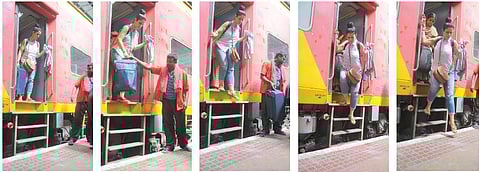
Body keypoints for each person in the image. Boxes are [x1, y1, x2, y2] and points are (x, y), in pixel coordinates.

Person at [132, 54, 191, 152]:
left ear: (175, 62)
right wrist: (135, 59)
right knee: (167, 123)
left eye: (170, 61)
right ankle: (170, 145)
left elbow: (186, 89)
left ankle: (183, 145)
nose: (168, 63)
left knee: (181, 124)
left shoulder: (182, 73)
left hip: (178, 102)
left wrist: (185, 102)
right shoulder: (162, 70)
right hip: (166, 101)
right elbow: (149, 66)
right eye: (167, 61)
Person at [424, 18, 459, 133]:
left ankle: (452, 121)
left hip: (449, 73)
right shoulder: (438, 40)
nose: (449, 35)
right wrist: (421, 29)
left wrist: (451, 67)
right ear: (443, 31)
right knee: (433, 89)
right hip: (436, 71)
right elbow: (424, 42)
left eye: (451, 33)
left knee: (450, 96)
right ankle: (428, 106)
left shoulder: (453, 43)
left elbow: (456, 56)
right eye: (447, 32)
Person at [210, 4, 248, 99]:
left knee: (231, 68)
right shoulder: (228, 24)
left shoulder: (238, 29)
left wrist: (243, 38)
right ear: (235, 17)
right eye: (239, 19)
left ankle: (231, 90)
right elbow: (219, 31)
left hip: (229, 49)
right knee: (224, 65)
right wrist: (214, 34)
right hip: (220, 46)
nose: (240, 21)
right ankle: (221, 85)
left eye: (242, 20)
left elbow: (235, 40)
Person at [113, 9, 147, 103]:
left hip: (125, 54)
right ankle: (119, 96)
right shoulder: (126, 28)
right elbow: (119, 39)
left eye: (142, 25)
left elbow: (134, 47)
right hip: (118, 51)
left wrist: (144, 43)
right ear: (135, 20)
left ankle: (121, 96)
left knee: (127, 71)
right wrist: (124, 52)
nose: (140, 26)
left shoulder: (136, 33)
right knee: (123, 70)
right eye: (139, 23)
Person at [339, 22, 365, 125]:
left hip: (355, 72)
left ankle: (351, 113)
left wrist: (361, 72)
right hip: (345, 69)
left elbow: (363, 60)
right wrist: (342, 40)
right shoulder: (345, 44)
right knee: (342, 77)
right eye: (348, 37)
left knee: (354, 92)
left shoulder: (359, 46)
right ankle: (345, 99)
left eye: (352, 37)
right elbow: (337, 49)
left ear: (356, 35)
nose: (350, 39)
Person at [16, 23, 49, 102]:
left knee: (31, 80)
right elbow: (20, 51)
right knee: (23, 79)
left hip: (33, 64)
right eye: (37, 34)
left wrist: (43, 51)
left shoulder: (37, 44)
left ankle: (28, 97)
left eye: (39, 35)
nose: (38, 36)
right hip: (24, 63)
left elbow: (37, 56)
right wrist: (18, 61)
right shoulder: (26, 41)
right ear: (33, 32)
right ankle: (20, 97)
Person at [259, 53, 288, 137]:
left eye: (284, 58)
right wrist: (270, 82)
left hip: (278, 93)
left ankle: (277, 129)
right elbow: (262, 76)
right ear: (277, 57)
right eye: (282, 58)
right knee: (265, 111)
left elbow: (283, 81)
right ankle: (265, 130)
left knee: (278, 111)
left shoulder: (282, 68)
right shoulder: (267, 64)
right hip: (267, 92)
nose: (283, 60)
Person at [69, 63, 93, 145]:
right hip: (81, 100)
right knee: (77, 119)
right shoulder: (83, 77)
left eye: (91, 68)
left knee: (91, 120)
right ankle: (73, 137)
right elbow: (76, 85)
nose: (90, 70)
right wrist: (72, 95)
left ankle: (90, 139)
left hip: (91, 102)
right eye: (88, 68)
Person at [418, 13, 443, 82]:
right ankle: (419, 78)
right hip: (422, 47)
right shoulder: (423, 27)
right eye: (430, 20)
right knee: (421, 63)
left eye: (433, 21)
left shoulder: (434, 29)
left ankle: (426, 78)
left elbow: (435, 42)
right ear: (427, 20)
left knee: (428, 64)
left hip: (429, 49)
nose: (431, 22)